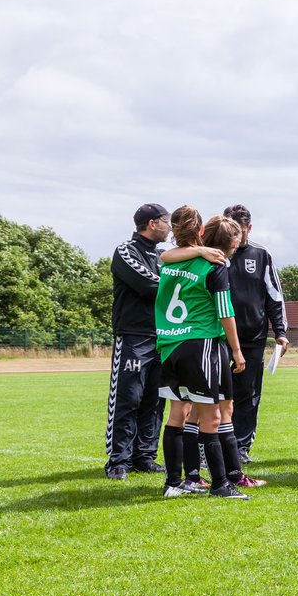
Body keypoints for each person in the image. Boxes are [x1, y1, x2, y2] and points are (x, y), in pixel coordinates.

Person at [156, 213, 249, 499]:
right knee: (212, 418)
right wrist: (236, 350)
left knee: (177, 415)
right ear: (200, 230)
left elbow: (165, 256)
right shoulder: (212, 265)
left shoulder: (171, 262)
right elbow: (225, 312)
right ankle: (221, 486)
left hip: (169, 345)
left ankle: (174, 483)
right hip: (200, 345)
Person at [104, 203, 171, 480]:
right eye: (167, 222)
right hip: (133, 337)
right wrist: (177, 287)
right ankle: (118, 460)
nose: (171, 228)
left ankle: (145, 456)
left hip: (162, 337)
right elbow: (150, 285)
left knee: (155, 400)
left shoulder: (163, 255)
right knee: (127, 397)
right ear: (153, 223)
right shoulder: (125, 251)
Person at [222, 205, 290, 463]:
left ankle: (241, 448)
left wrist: (280, 331)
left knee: (248, 395)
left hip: (252, 339)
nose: (234, 235)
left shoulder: (261, 255)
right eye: (229, 229)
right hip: (217, 338)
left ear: (249, 228)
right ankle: (211, 447)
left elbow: (274, 296)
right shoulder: (213, 253)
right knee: (215, 394)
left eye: (239, 230)